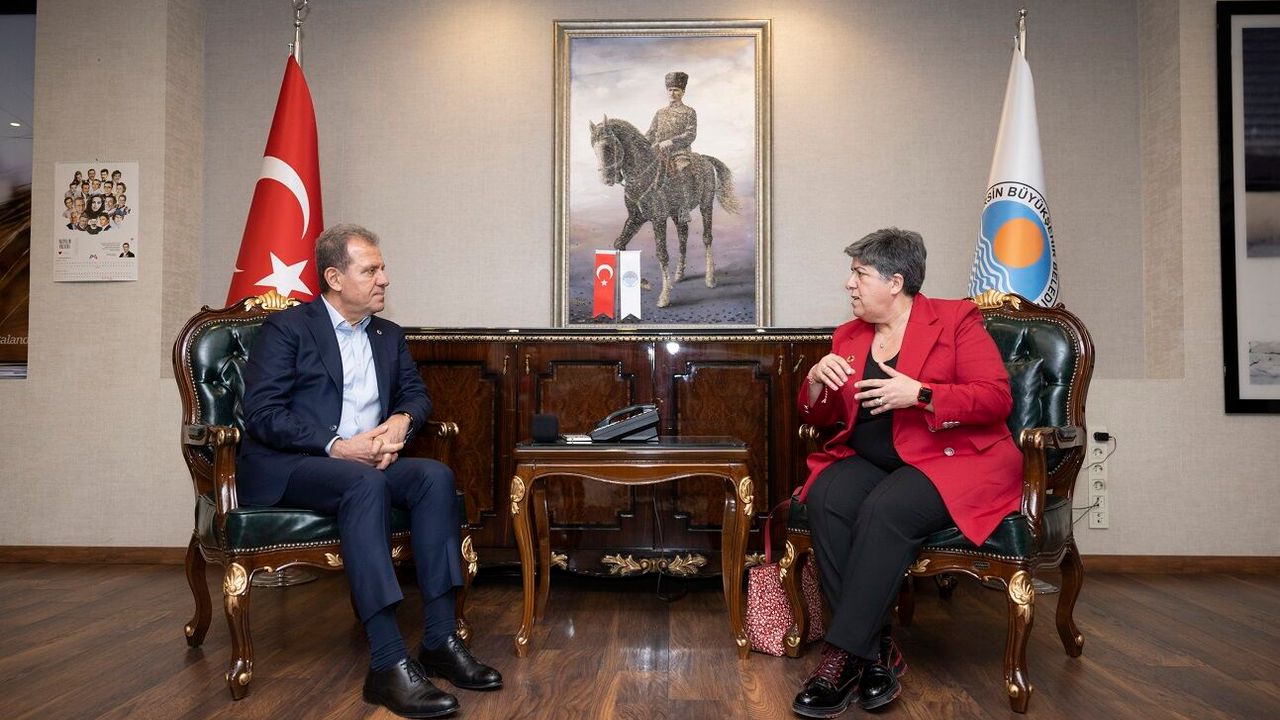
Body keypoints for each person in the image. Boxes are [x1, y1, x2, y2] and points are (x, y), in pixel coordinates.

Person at [237, 224, 501, 719]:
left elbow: (416, 395)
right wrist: (338, 447)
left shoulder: (387, 335)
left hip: (368, 463)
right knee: (363, 483)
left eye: (383, 268)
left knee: (434, 478)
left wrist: (400, 422)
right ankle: (386, 661)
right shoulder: (288, 329)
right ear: (335, 277)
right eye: (371, 270)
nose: (385, 279)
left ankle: (440, 638)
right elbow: (263, 414)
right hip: (297, 465)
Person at [791, 227, 1023, 717]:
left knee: (885, 509)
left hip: (949, 458)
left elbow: (996, 398)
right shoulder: (848, 335)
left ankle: (841, 658)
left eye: (859, 274)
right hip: (871, 459)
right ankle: (876, 654)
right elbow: (820, 416)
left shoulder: (956, 319)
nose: (849, 284)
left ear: (895, 282)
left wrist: (921, 394)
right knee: (827, 496)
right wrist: (814, 382)